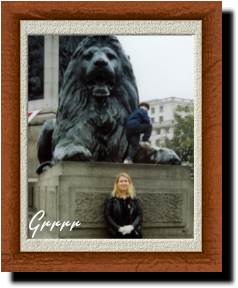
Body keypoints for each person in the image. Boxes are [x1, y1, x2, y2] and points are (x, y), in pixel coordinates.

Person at [104, 172, 143, 238]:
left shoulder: (134, 198)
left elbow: (139, 215)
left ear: (129, 183)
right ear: (117, 184)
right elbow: (107, 215)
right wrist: (118, 228)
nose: (123, 183)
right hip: (117, 234)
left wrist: (132, 227)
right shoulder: (111, 198)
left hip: (133, 233)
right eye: (121, 181)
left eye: (126, 181)